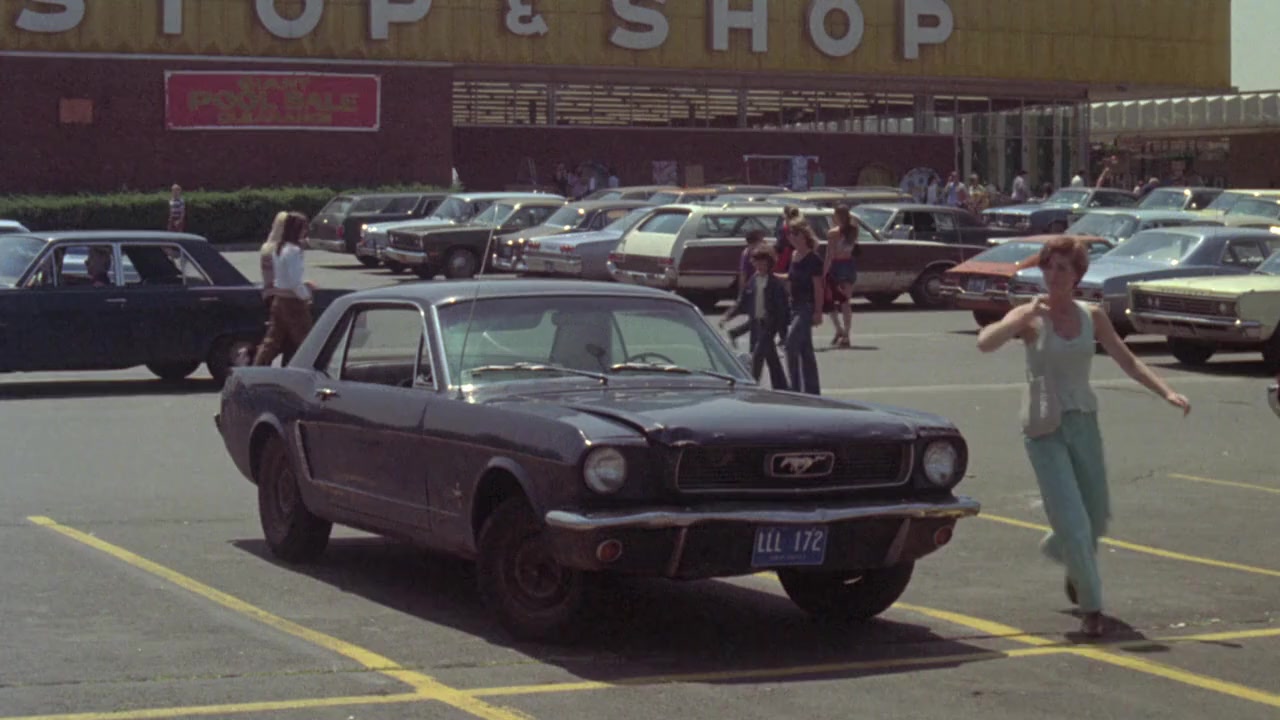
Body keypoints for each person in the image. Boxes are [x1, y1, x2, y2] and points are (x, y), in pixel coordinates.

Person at [976, 236, 1191, 638]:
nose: (1054, 275)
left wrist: (1166, 392)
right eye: (1048, 266)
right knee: (1074, 523)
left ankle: (1064, 551)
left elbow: (1127, 360)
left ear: (1077, 275)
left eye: (1063, 268)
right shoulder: (1031, 314)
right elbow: (985, 342)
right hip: (1044, 426)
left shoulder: (1092, 315)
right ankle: (1091, 605)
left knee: (1095, 516)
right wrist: (1017, 320)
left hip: (1084, 422)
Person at [721, 245, 789, 389]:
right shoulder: (753, 280)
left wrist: (783, 333)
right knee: (771, 358)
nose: (760, 266)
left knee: (757, 356)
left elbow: (782, 309)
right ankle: (782, 387)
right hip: (756, 324)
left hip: (769, 325)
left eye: (763, 263)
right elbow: (742, 302)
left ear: (769, 264)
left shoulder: (775, 283)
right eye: (757, 262)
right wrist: (728, 316)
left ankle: (751, 386)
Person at [253, 212, 315, 367]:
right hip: (293, 301)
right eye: (303, 227)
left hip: (279, 300)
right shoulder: (293, 250)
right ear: (296, 229)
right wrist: (306, 296)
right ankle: (311, 368)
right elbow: (294, 281)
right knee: (306, 339)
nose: (305, 231)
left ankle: (257, 368)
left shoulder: (279, 248)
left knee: (272, 340)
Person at [781, 218, 824, 395]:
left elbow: (818, 287)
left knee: (790, 345)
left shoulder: (813, 259)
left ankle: (795, 387)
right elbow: (791, 278)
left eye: (795, 234)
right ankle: (812, 391)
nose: (791, 238)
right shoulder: (794, 255)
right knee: (806, 351)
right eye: (789, 235)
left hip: (807, 306)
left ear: (804, 235)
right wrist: (773, 276)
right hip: (794, 305)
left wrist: (818, 312)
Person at [824, 204, 859, 348]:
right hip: (849, 265)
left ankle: (839, 329)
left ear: (837, 216)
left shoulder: (833, 233)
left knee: (830, 300)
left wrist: (824, 272)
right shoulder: (854, 230)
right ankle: (846, 334)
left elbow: (829, 255)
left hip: (837, 265)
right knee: (846, 302)